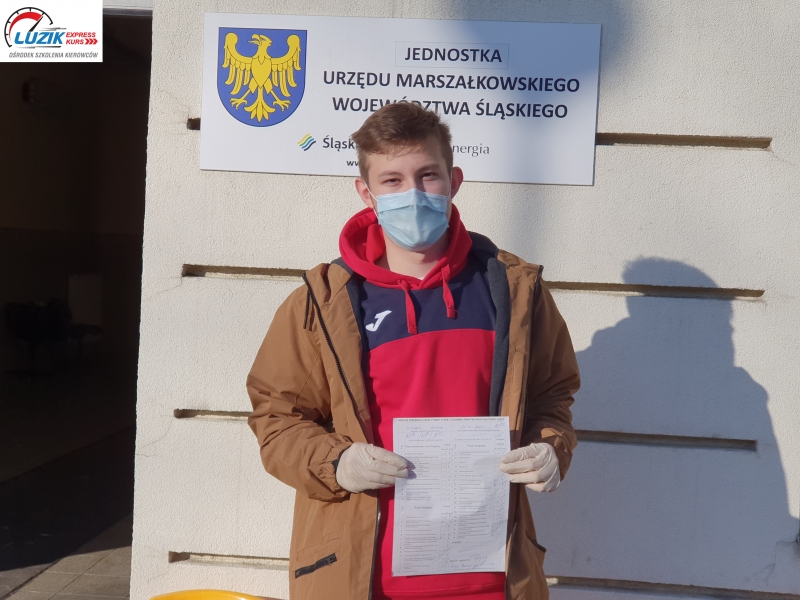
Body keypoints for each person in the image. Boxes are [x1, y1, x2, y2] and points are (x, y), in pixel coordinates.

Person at [247, 102, 579, 600]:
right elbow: (277, 420)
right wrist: (336, 462)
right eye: (392, 180)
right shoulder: (323, 303)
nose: (413, 193)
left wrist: (549, 447)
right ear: (366, 192)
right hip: (364, 581)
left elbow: (552, 396)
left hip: (494, 580)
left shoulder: (514, 292)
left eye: (428, 176)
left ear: (454, 181)